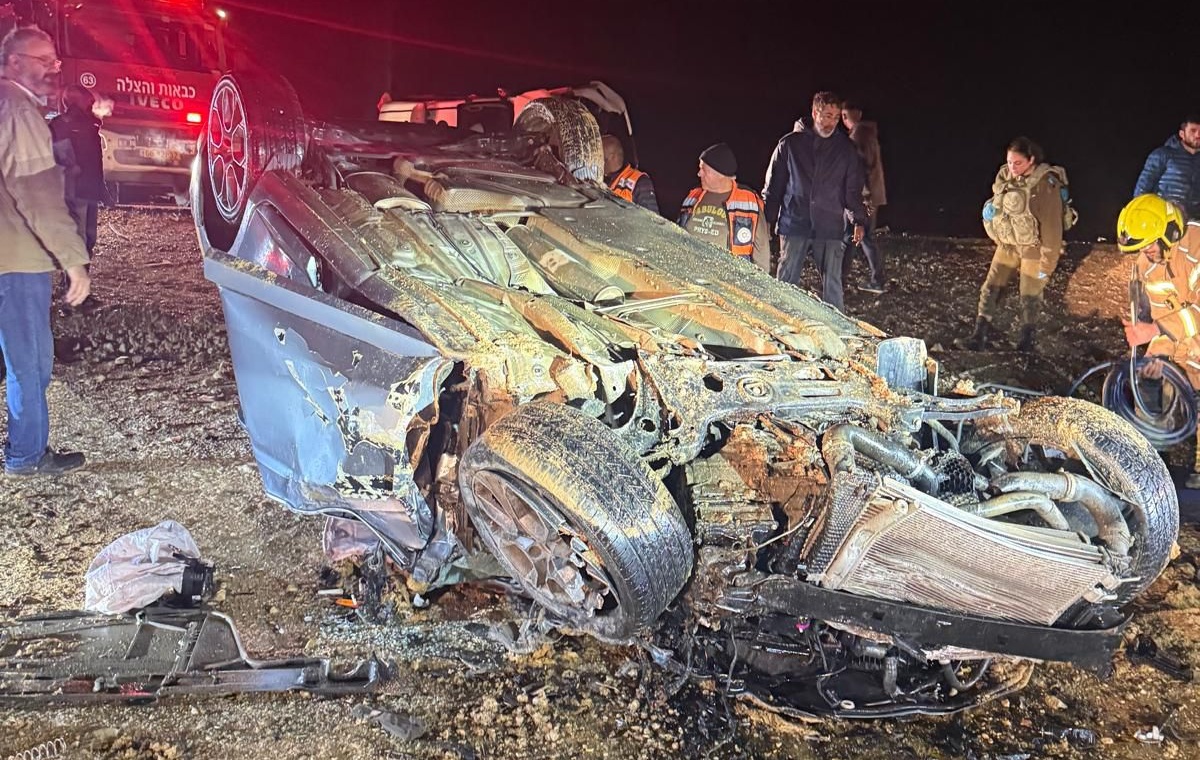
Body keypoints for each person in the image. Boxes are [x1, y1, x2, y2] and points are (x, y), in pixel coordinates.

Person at [0, 27, 91, 476]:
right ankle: (26, 455)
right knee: (30, 362)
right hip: (16, 259)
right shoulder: (19, 111)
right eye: (43, 60)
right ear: (14, 61)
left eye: (54, 61)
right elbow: (37, 194)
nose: (52, 69)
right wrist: (74, 260)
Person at [1117, 193, 1200, 488]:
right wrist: (1154, 353)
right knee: (1148, 381)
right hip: (1180, 340)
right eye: (1141, 247)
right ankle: (1154, 467)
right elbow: (1160, 315)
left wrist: (1154, 331)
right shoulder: (1146, 264)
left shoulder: (1197, 248)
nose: (1146, 252)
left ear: (1170, 232)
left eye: (1149, 244)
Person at [764, 91, 867, 312]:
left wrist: (858, 220)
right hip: (794, 222)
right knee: (786, 278)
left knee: (833, 282)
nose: (832, 122)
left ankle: (836, 323)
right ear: (814, 113)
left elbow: (852, 190)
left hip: (830, 225)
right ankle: (778, 317)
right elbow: (774, 186)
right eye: (827, 116)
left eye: (836, 117)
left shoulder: (846, 150)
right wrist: (766, 218)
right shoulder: (789, 145)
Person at [962, 137, 1065, 353]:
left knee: (1029, 295)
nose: (1012, 167)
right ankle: (978, 335)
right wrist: (990, 211)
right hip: (1008, 244)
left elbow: (1052, 231)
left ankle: (1026, 341)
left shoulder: (1046, 185)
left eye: (1018, 163)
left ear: (1031, 160)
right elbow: (999, 206)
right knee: (990, 287)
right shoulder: (1006, 177)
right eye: (1009, 162)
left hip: (1033, 248)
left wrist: (1047, 266)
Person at [677, 142, 770, 272]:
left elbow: (762, 251)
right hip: (689, 273)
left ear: (720, 173)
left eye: (704, 170)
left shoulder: (749, 202)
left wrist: (760, 281)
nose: (699, 173)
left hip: (730, 278)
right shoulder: (693, 196)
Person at [50, 83, 104, 256]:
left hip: (86, 188)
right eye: (87, 101)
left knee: (87, 237)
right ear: (76, 101)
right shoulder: (63, 124)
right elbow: (60, 153)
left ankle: (81, 267)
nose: (91, 105)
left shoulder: (87, 125)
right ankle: (76, 270)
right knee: (80, 236)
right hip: (76, 187)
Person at [840, 100, 887, 294]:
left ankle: (839, 280)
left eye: (843, 115)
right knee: (863, 237)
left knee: (851, 236)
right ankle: (876, 279)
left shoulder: (859, 135)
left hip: (862, 197)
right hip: (871, 195)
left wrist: (861, 197)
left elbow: (860, 169)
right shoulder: (867, 133)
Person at [1133, 115, 1200, 221]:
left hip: (1193, 222)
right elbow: (1142, 190)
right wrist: (1139, 215)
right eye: (1193, 130)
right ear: (1182, 134)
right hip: (1162, 218)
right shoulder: (1163, 155)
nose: (1198, 135)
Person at [602, 135, 658, 214]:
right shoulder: (599, 179)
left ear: (611, 157)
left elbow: (652, 219)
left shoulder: (640, 182)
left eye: (600, 156)